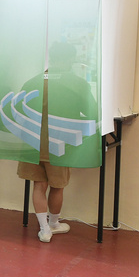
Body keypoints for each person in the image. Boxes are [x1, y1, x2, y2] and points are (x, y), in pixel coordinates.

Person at [17, 41, 98, 243]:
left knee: (39, 185)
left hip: (32, 142)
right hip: (59, 144)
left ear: (52, 58)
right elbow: (93, 112)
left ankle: (44, 229)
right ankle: (54, 223)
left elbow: (19, 108)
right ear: (71, 59)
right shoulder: (78, 84)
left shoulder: (34, 81)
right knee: (58, 185)